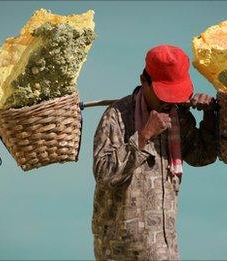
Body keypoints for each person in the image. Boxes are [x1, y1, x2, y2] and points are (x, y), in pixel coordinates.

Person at [91, 44, 218, 260]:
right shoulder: (117, 117)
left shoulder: (179, 116)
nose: (168, 103)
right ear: (144, 81)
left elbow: (202, 156)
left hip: (164, 249)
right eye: (163, 96)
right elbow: (104, 173)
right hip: (119, 250)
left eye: (173, 96)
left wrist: (210, 116)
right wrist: (143, 136)